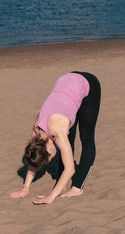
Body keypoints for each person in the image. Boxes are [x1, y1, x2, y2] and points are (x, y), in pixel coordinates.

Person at [10, 71, 101, 204]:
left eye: (49, 159)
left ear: (48, 150)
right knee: (67, 141)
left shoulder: (57, 131)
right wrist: (25, 187)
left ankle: (77, 188)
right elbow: (34, 155)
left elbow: (70, 169)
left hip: (87, 83)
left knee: (86, 138)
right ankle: (61, 183)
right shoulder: (36, 135)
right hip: (66, 81)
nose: (51, 159)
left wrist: (51, 197)